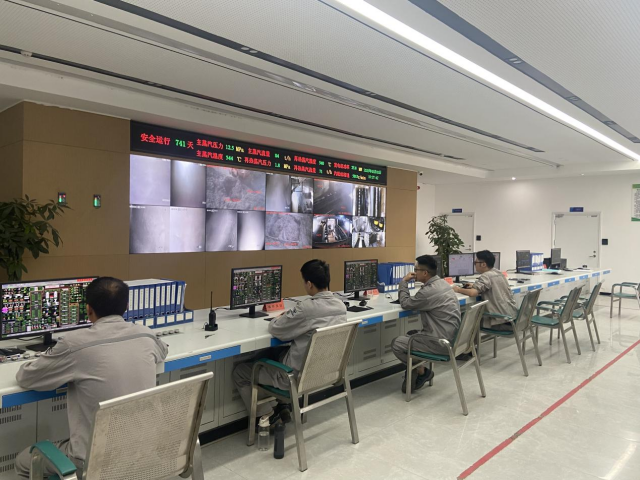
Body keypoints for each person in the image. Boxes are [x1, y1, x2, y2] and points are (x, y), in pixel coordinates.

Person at [14, 277, 168, 478]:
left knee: (24, 461)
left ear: (88, 309)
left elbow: (26, 377)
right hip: (144, 452)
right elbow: (163, 351)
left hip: (93, 461)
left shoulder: (75, 344)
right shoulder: (146, 335)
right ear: (127, 306)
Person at [233, 259, 347, 426]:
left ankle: (266, 415)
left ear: (309, 284)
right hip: (325, 372)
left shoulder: (306, 308)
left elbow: (276, 329)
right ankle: (282, 405)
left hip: (294, 378)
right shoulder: (341, 306)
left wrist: (282, 317)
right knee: (272, 353)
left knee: (240, 372)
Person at [391, 255, 461, 393]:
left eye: (416, 269)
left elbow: (405, 303)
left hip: (440, 343)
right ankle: (420, 370)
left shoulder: (428, 291)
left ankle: (421, 371)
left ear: (424, 273)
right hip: (453, 339)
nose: (414, 272)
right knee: (411, 333)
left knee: (397, 343)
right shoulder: (443, 284)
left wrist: (403, 282)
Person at [453, 250, 517, 330]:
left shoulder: (486, 276)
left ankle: (467, 338)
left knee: (466, 317)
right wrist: (474, 285)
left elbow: (473, 293)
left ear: (483, 264)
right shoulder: (498, 273)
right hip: (511, 317)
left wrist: (458, 289)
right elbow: (491, 285)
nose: (474, 265)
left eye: (475, 263)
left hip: (500, 320)